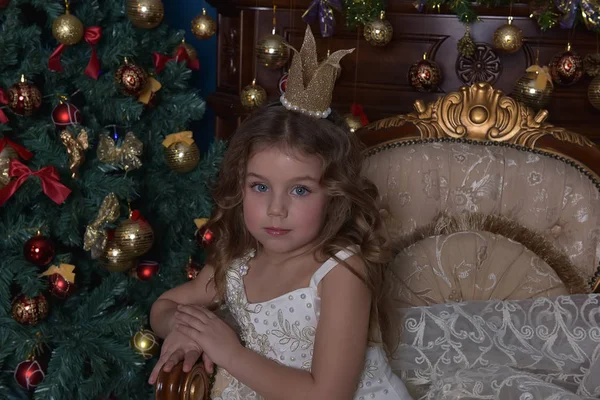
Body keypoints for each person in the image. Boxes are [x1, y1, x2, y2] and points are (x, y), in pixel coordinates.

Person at [148, 25, 413, 400]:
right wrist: (184, 328)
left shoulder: (340, 273)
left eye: (300, 190)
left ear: (334, 195)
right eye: (260, 187)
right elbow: (164, 305)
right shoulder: (240, 261)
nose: (276, 209)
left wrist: (229, 352)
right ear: (239, 187)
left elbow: (328, 394)